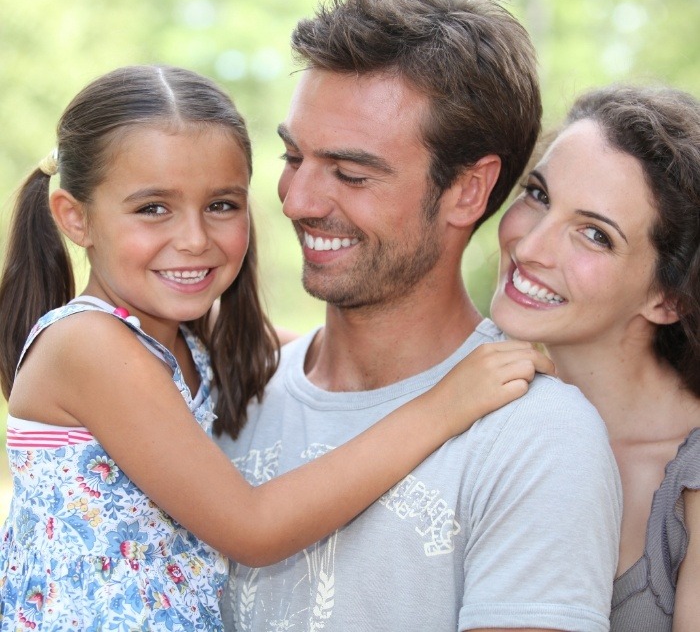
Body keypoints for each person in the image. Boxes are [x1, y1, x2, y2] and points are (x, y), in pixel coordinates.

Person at [0, 64, 554, 631]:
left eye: (221, 205)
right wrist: (447, 403)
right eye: (153, 208)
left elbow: (339, 359)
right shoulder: (90, 345)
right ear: (75, 217)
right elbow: (254, 529)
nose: (194, 239)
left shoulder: (194, 337)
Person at [214, 0, 622, 631]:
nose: (296, 201)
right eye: (294, 157)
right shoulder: (230, 390)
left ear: (468, 190)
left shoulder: (536, 438)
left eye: (350, 174)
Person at [490, 84, 700, 632]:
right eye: (537, 194)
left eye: (593, 234)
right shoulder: (482, 400)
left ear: (668, 299)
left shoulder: (688, 480)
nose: (530, 246)